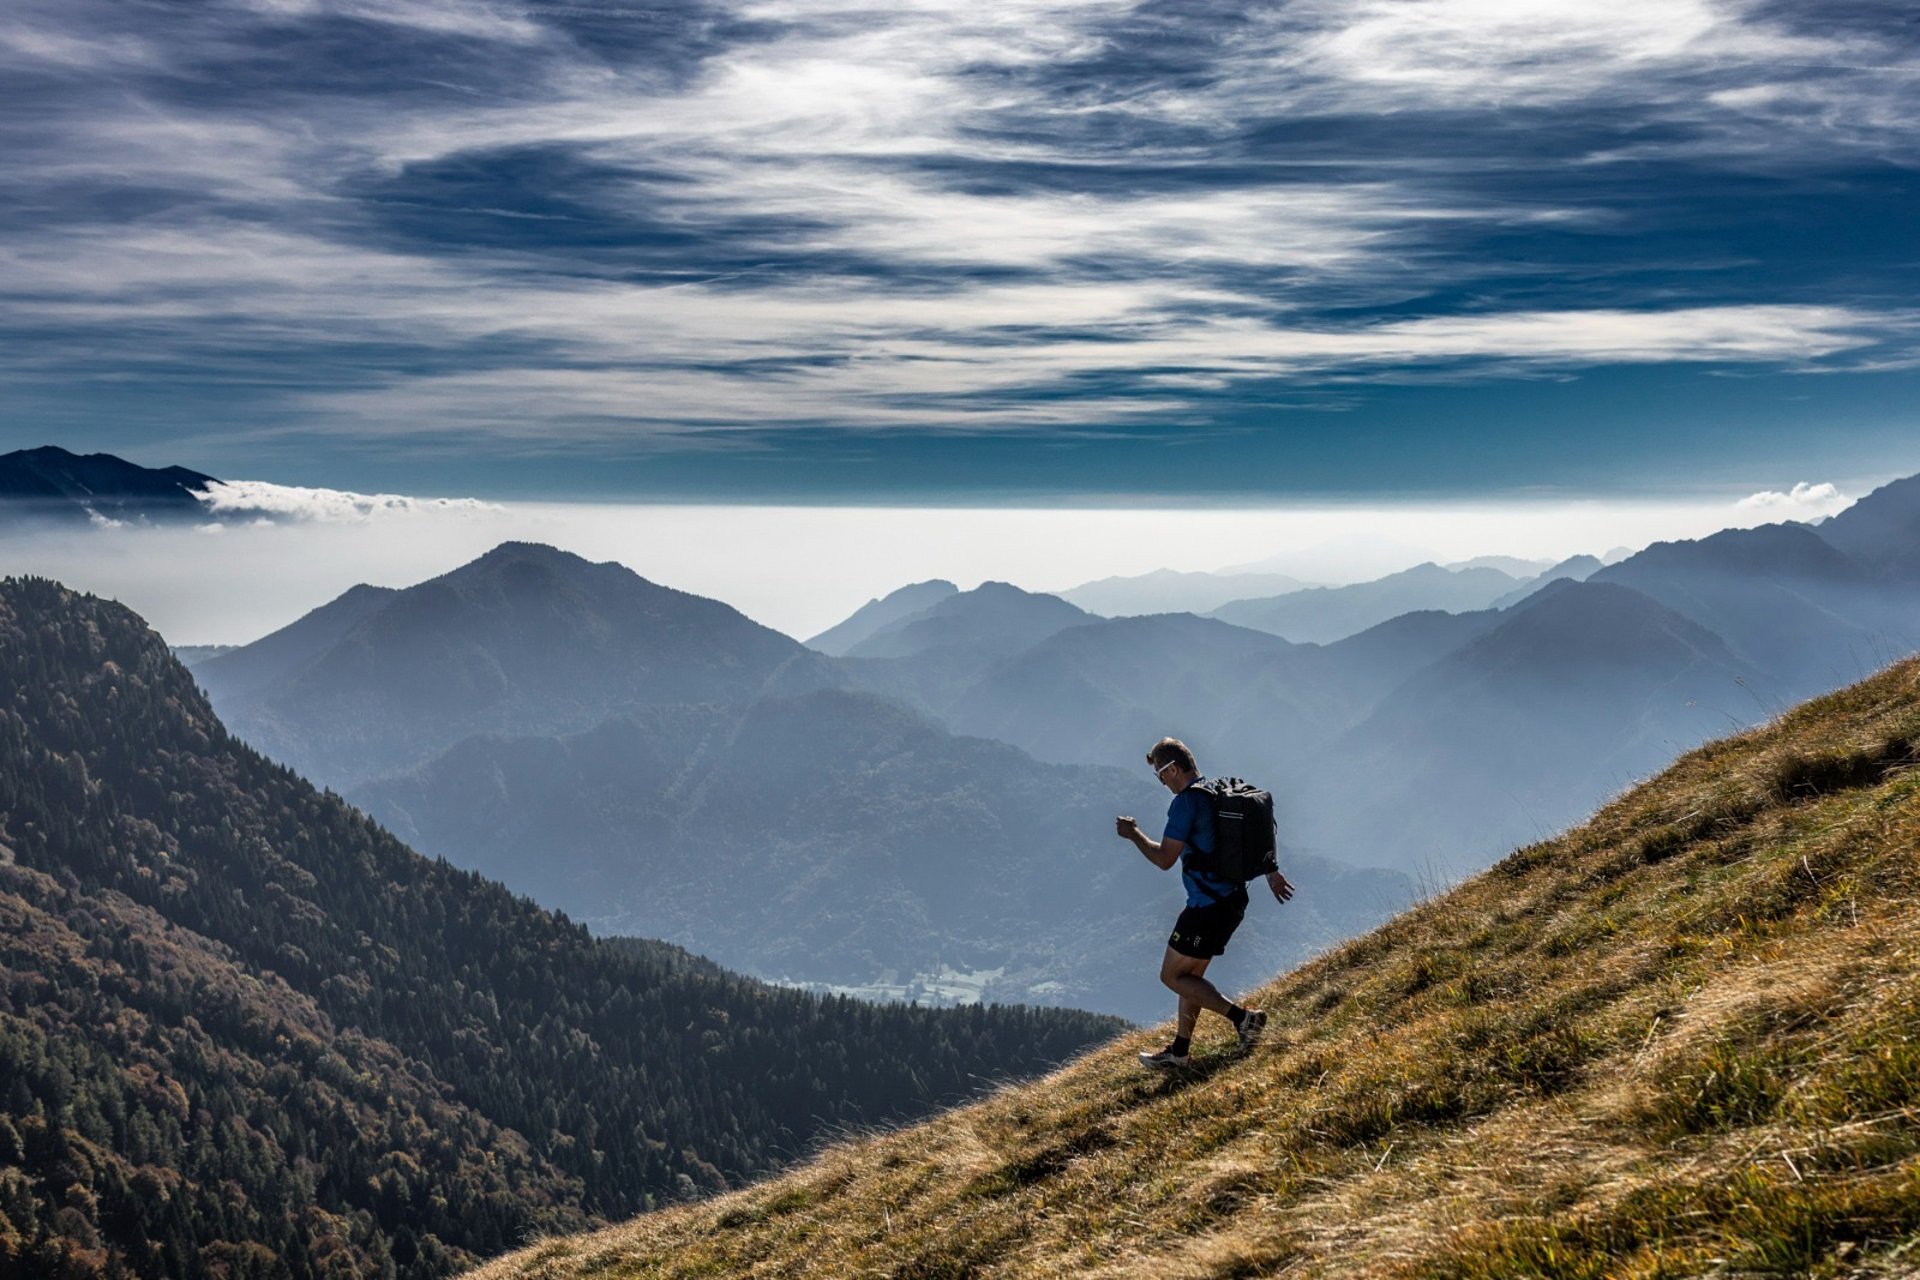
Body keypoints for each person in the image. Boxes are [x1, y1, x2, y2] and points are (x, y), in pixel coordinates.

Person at [1116, 736, 1294, 1069]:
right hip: (1231, 901)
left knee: (1171, 976)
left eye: (1159, 774)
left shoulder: (1186, 803)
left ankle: (1244, 1019)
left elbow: (1165, 858)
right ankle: (1180, 1053)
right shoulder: (1217, 791)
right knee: (1191, 977)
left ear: (1172, 769)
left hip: (1206, 908)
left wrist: (1134, 834)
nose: (1161, 782)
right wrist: (1271, 871)